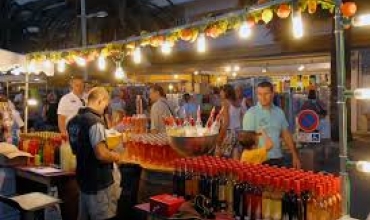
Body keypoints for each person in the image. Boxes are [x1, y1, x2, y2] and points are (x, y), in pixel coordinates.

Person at [67, 87, 122, 220]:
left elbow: (76, 150)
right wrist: (116, 156)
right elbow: (101, 154)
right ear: (100, 100)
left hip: (83, 180)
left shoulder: (72, 121)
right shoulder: (95, 122)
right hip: (99, 184)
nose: (104, 109)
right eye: (105, 105)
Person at [243, 81, 301, 168]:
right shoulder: (251, 113)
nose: (262, 97)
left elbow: (286, 134)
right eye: (259, 94)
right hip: (259, 160)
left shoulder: (279, 112)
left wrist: (294, 154)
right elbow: (247, 141)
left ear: (273, 94)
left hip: (278, 158)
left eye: (266, 94)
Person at [215, 84, 243, 159]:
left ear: (225, 92)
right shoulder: (237, 102)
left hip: (229, 132)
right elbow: (241, 119)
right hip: (238, 132)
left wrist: (220, 137)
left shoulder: (225, 103)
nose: (220, 93)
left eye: (221, 91)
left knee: (221, 157)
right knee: (235, 158)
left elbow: (226, 122)